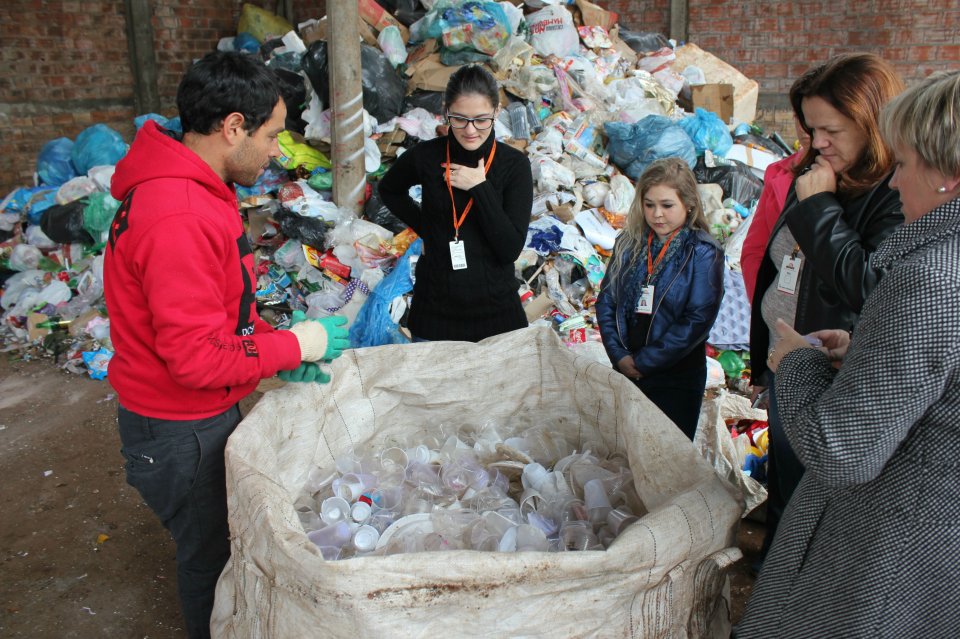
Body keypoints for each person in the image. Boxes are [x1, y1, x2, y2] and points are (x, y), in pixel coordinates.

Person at [103, 52, 348, 638]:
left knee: (216, 550)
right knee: (210, 561)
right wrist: (295, 344)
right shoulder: (179, 213)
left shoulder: (193, 189)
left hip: (187, 416)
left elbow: (220, 318)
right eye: (270, 135)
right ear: (232, 127)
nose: (277, 152)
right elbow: (193, 358)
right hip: (178, 427)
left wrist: (271, 355)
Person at [738, 70, 960, 637]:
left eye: (905, 165)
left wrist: (798, 362)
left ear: (948, 178)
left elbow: (843, 452)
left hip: (887, 550)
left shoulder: (932, 277)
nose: (892, 183)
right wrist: (864, 349)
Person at [747, 53, 904, 566]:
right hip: (786, 365)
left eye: (830, 129)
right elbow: (777, 267)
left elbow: (871, 288)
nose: (818, 143)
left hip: (832, 379)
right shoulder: (818, 175)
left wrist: (820, 209)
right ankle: (773, 582)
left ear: (872, 123)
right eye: (811, 129)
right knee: (783, 491)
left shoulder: (894, 198)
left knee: (808, 510)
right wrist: (760, 362)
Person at [378, 64, 533, 342]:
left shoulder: (514, 166)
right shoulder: (427, 156)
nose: (470, 130)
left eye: (481, 119)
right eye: (459, 119)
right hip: (435, 313)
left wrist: (479, 188)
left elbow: (509, 248)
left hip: (497, 315)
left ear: (497, 112)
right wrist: (429, 229)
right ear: (446, 110)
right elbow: (389, 189)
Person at [595, 158, 724, 440]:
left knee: (667, 458)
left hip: (676, 376)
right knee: (628, 453)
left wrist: (645, 363)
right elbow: (606, 302)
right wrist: (620, 356)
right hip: (627, 368)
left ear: (688, 204)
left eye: (667, 205)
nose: (657, 214)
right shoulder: (629, 243)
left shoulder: (701, 251)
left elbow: (697, 318)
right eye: (649, 204)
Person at [740, 117, 811, 301]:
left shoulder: (857, 182)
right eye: (800, 116)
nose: (805, 127)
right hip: (774, 317)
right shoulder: (778, 172)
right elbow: (755, 249)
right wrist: (761, 299)